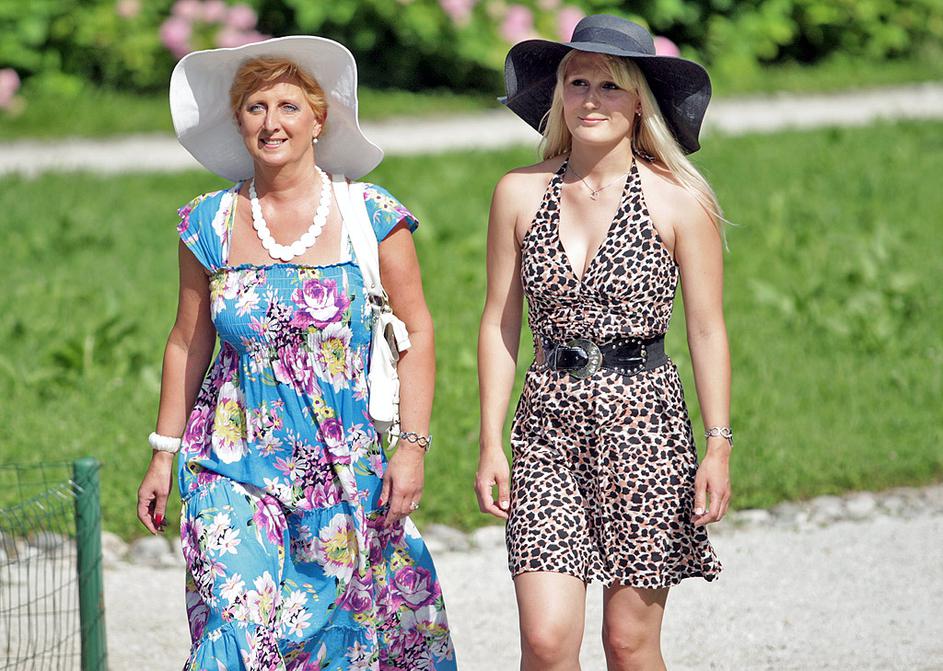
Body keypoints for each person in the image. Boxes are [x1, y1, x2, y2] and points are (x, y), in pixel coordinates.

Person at [136, 36, 455, 670]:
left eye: (288, 106)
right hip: (229, 460)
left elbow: (417, 331)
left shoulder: (371, 215)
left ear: (319, 119)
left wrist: (412, 448)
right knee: (237, 617)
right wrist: (162, 454)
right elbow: (187, 341)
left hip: (342, 461)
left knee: (335, 632)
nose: (271, 122)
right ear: (239, 122)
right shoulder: (207, 222)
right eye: (255, 107)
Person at [476, 14, 730, 671]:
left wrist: (718, 444)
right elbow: (499, 322)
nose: (591, 99)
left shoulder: (679, 200)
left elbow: (706, 328)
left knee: (629, 643)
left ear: (640, 100)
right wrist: (489, 440)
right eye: (578, 82)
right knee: (545, 641)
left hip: (645, 428)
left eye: (610, 85)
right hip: (546, 426)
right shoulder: (518, 192)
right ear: (559, 94)